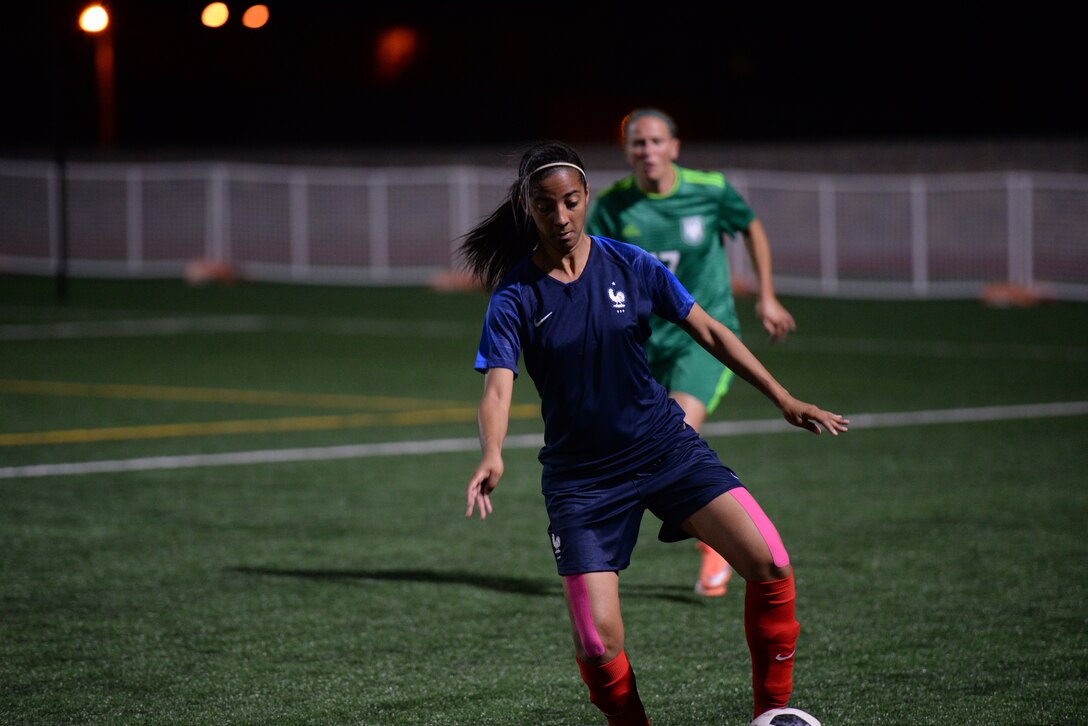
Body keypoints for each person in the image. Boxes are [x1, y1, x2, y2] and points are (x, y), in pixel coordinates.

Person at [459, 140, 848, 724]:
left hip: (665, 449)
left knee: (771, 562)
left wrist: (782, 396)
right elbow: (497, 386)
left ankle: (772, 715)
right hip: (582, 483)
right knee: (597, 643)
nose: (560, 217)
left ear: (587, 196)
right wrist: (491, 452)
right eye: (546, 206)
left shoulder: (631, 264)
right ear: (527, 207)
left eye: (570, 201)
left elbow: (710, 333)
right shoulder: (515, 296)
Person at [586, 108, 797, 598]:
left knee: (676, 432)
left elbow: (752, 227)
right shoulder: (615, 205)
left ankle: (717, 542)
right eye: (639, 143)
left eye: (657, 141)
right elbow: (594, 261)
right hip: (642, 343)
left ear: (674, 147)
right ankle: (702, 528)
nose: (648, 151)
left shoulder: (711, 189)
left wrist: (766, 294)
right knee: (643, 445)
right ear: (628, 152)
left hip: (703, 340)